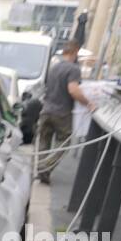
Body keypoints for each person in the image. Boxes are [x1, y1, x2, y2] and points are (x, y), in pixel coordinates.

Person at [35, 41, 92, 185]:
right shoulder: (73, 69)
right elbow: (73, 89)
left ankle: (41, 168)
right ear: (74, 52)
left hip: (46, 110)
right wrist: (88, 102)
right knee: (64, 142)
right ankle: (45, 167)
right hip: (62, 112)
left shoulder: (54, 68)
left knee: (43, 141)